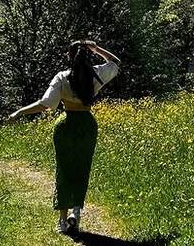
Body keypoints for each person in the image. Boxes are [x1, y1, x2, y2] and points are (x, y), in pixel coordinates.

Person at [8, 40, 120, 234]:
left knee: (64, 170)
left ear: (69, 56)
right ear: (89, 55)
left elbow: (45, 104)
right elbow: (115, 62)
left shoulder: (62, 77)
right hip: (87, 125)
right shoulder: (96, 74)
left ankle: (62, 221)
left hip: (66, 124)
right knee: (82, 168)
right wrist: (96, 48)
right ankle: (75, 214)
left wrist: (19, 112)